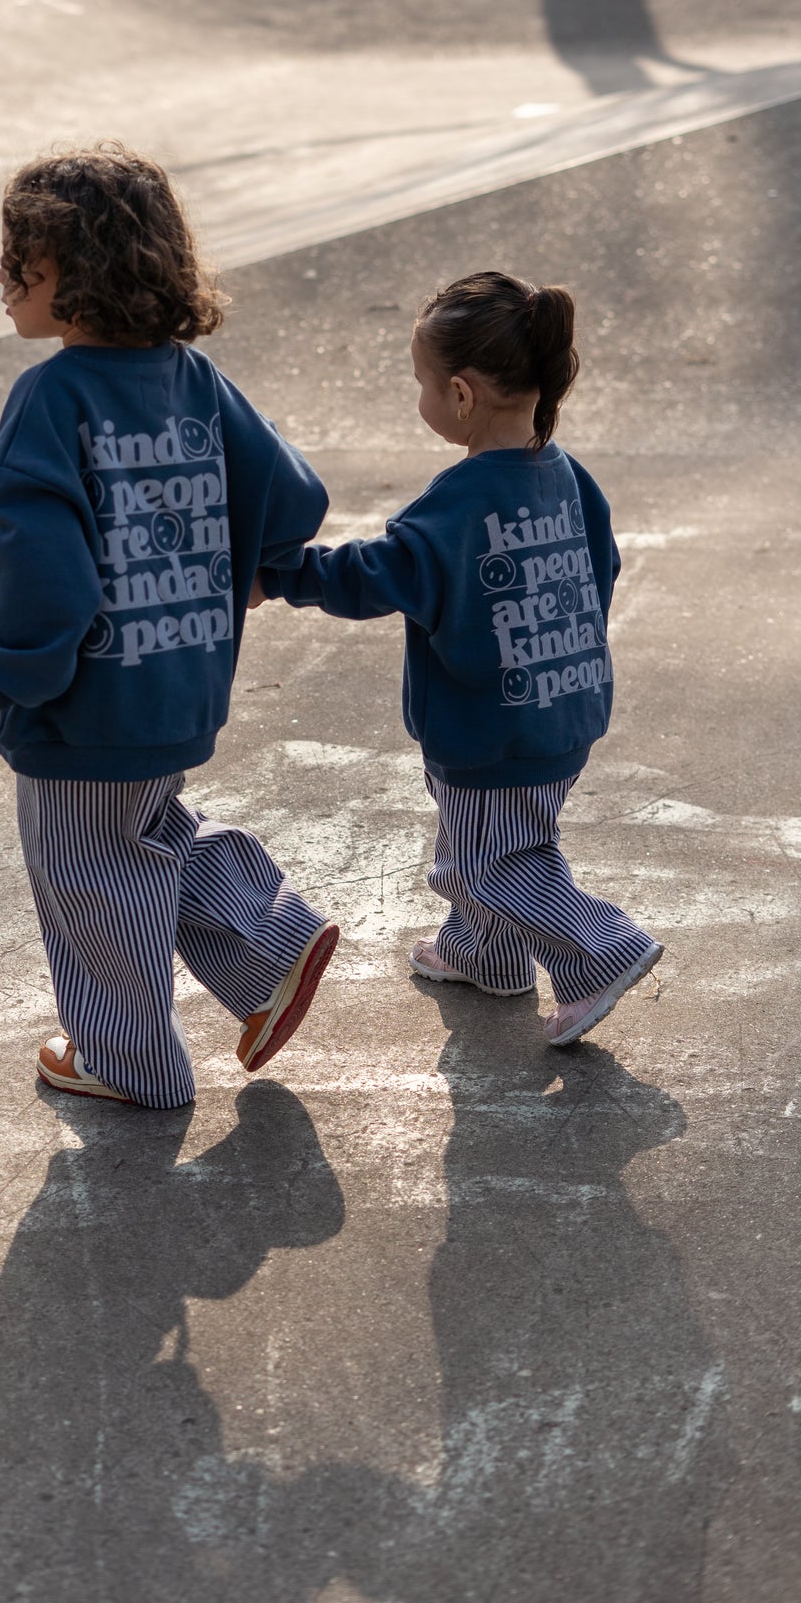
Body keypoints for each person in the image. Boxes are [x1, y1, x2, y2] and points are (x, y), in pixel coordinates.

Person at [0, 146, 339, 1107]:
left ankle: (127, 1063)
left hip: (85, 706)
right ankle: (268, 944)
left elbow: (44, 567)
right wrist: (254, 565)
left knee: (90, 877)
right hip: (181, 681)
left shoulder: (51, 397)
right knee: (144, 830)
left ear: (71, 279)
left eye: (19, 261)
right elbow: (294, 497)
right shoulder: (193, 379)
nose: (0, 276)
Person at [254, 270, 661, 1048]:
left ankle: (598, 951)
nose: (421, 398)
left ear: (462, 394)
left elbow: (374, 574)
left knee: (482, 865)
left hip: (488, 726)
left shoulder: (457, 500)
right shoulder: (567, 477)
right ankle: (486, 955)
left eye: (422, 384)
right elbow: (600, 571)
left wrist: (280, 576)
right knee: (503, 842)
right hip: (559, 706)